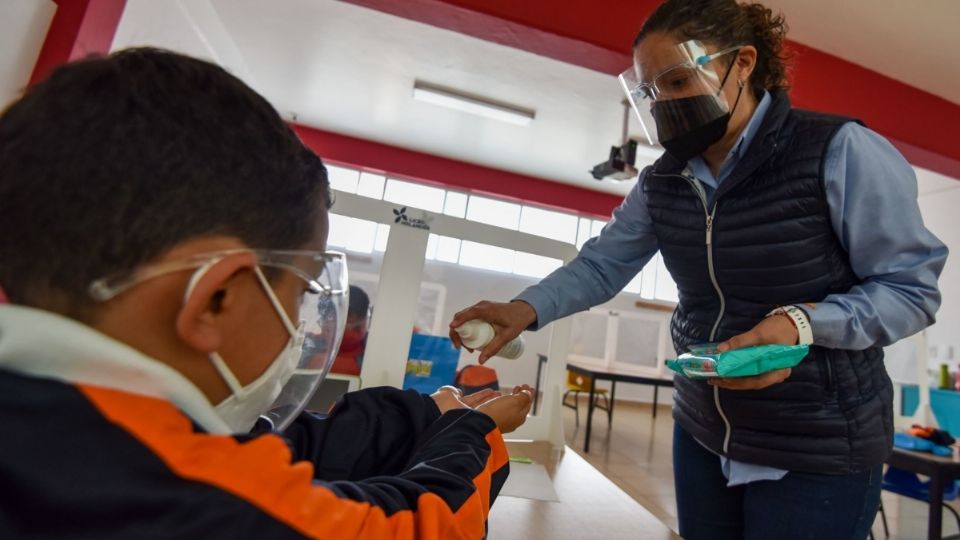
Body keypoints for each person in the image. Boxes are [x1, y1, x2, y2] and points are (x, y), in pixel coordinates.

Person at [450, 1, 948, 538]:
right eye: (652, 91)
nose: (666, 100)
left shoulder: (839, 151)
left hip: (816, 444)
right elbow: (601, 265)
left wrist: (802, 323)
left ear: (743, 63)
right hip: (704, 430)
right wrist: (524, 309)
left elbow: (910, 289)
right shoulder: (663, 183)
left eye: (680, 79)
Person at [0, 47, 533, 539]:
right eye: (300, 293)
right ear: (217, 299)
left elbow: (277, 445)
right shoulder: (180, 503)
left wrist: (431, 413)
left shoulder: (63, 423)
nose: (301, 322)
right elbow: (427, 525)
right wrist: (474, 429)